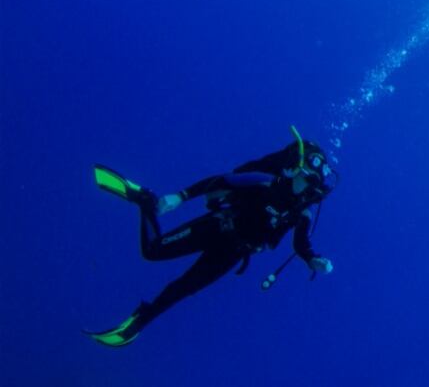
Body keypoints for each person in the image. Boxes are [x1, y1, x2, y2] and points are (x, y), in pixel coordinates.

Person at [86, 127, 338, 347]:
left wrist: (312, 260)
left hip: (235, 252)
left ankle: (141, 321)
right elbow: (224, 180)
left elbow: (301, 243)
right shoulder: (267, 182)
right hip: (217, 227)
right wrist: (181, 196)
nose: (300, 179)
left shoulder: (301, 212)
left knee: (184, 288)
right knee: (153, 251)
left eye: (307, 181)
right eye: (300, 173)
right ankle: (144, 200)